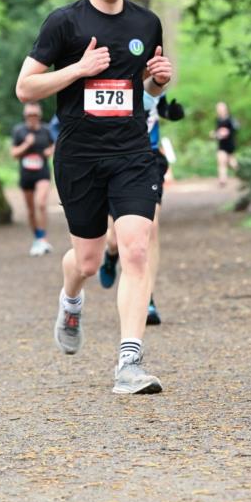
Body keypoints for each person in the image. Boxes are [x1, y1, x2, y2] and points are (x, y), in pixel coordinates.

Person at [15, 0, 172, 394]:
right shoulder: (64, 23)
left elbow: (137, 90)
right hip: (79, 156)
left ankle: (129, 362)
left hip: (130, 152)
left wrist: (158, 82)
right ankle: (71, 300)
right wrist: (78, 69)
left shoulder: (146, 23)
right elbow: (25, 87)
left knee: (136, 248)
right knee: (85, 260)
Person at [99, 91, 185, 326]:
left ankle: (146, 298)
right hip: (113, 159)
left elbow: (160, 106)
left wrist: (172, 112)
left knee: (151, 227)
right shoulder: (110, 73)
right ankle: (110, 255)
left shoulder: (151, 70)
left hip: (149, 158)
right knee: (115, 238)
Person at [10, 102, 55, 256]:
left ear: (39, 116)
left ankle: (43, 239)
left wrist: (50, 150)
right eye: (29, 115)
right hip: (26, 175)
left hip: (42, 173)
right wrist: (26, 144)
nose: (32, 118)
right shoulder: (19, 131)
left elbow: (55, 145)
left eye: (35, 115)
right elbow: (14, 154)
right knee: (30, 210)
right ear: (25, 116)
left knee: (41, 204)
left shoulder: (46, 130)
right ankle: (37, 238)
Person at [212, 101, 238, 186]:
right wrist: (215, 134)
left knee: (232, 162)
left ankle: (242, 174)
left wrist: (227, 132)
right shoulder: (218, 120)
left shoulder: (231, 119)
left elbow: (235, 129)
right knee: (221, 161)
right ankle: (222, 180)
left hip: (230, 143)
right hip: (221, 144)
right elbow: (217, 131)